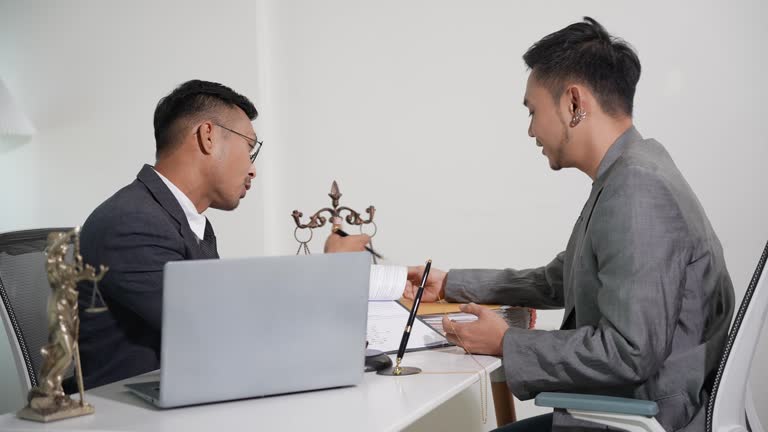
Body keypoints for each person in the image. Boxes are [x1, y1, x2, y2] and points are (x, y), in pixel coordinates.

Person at [404, 17, 734, 432]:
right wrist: (451, 282)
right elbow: (560, 278)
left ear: (574, 104)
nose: (530, 130)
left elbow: (630, 351)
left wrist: (507, 343)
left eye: (533, 110)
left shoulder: (637, 189)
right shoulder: (631, 170)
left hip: (641, 419)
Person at [73, 80, 369, 390]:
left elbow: (236, 314)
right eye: (250, 148)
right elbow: (223, 336)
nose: (253, 170)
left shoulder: (181, 220)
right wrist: (333, 272)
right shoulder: (132, 223)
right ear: (208, 136)